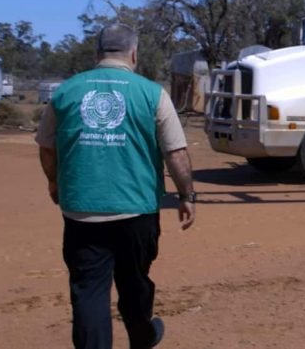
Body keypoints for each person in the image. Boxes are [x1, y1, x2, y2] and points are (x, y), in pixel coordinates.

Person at [35, 24, 196, 349]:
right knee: (134, 282)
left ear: (97, 54)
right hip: (136, 211)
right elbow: (175, 152)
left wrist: (54, 182)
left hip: (81, 211)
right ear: (134, 54)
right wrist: (186, 195)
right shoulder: (152, 94)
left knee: (89, 291)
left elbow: (47, 147)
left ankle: (135, 335)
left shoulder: (65, 92)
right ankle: (142, 334)